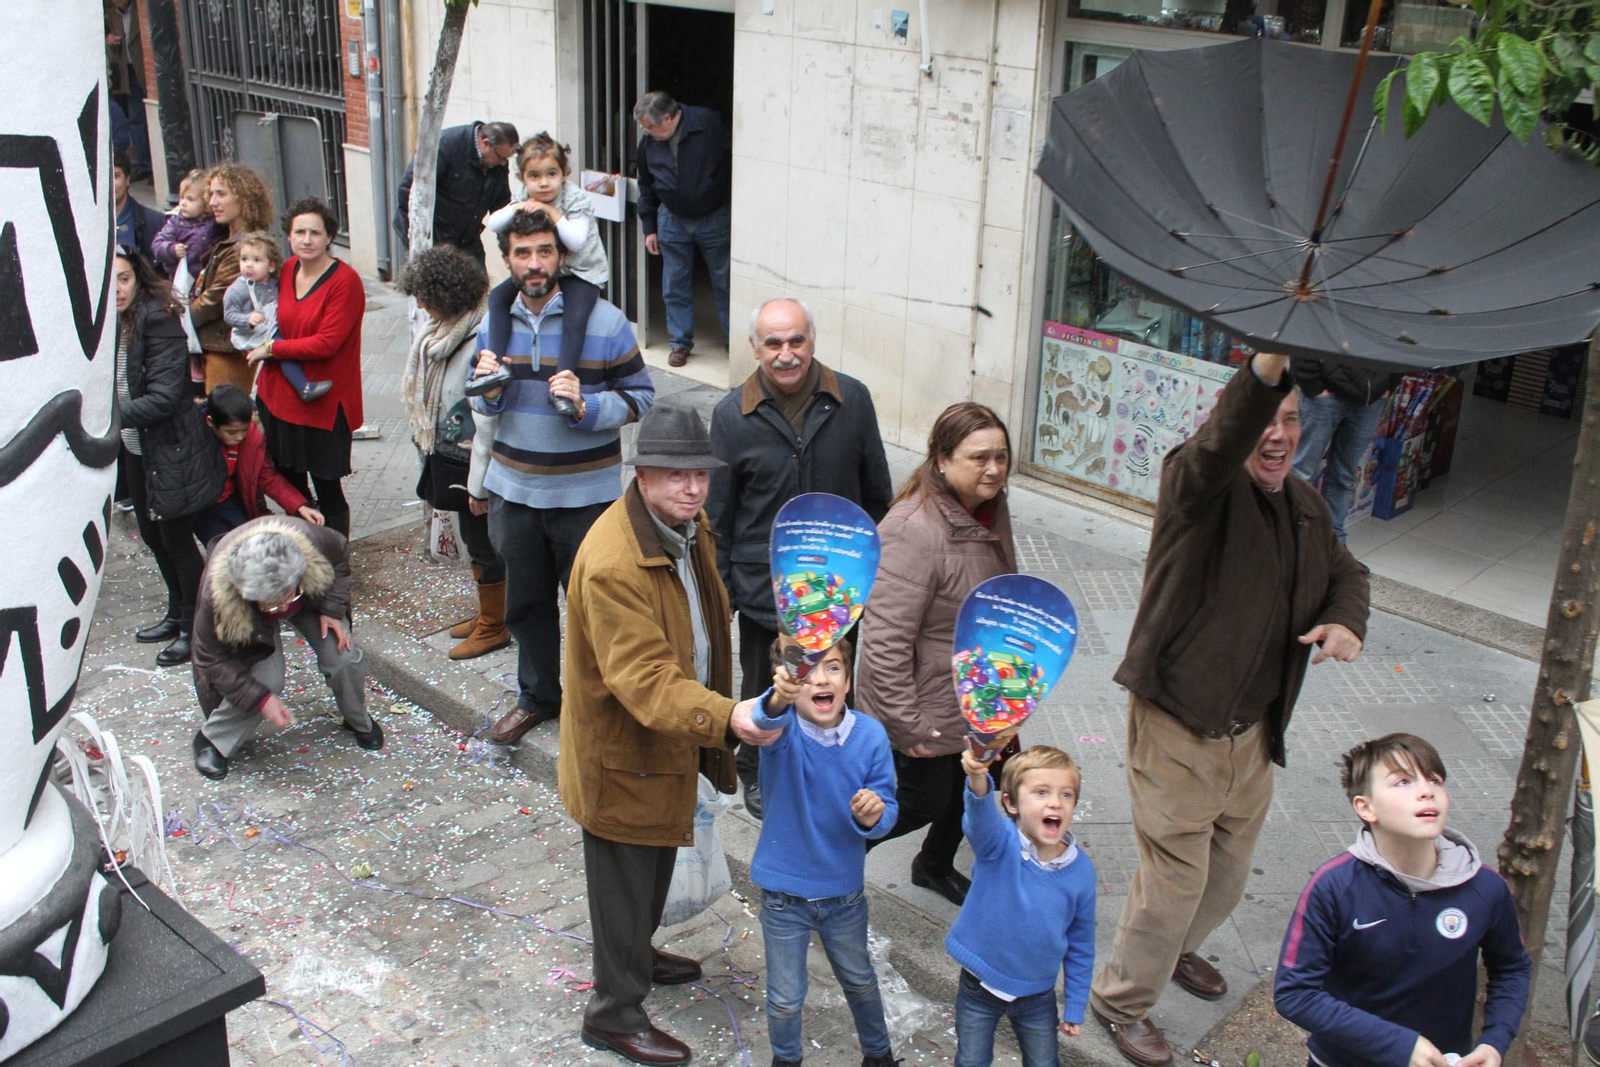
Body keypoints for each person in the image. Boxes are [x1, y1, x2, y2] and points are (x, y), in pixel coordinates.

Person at [1089, 352, 1372, 1067]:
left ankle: (1177, 946)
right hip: (1180, 721)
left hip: (1253, 733)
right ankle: (1121, 1001)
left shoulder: (1304, 505)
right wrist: (1266, 371)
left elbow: (1349, 571)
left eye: (1290, 420)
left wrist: (1347, 621)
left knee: (1227, 875)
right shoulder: (1199, 487)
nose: (1276, 435)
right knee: (1175, 878)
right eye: (1263, 420)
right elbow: (1216, 445)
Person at [556, 403, 780, 1067]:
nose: (692, 487)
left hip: (669, 741)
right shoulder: (612, 563)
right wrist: (729, 716)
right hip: (623, 756)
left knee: (652, 866)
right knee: (625, 878)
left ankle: (636, 954)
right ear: (642, 474)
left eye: (701, 474)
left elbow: (708, 607)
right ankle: (613, 1013)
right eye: (675, 474)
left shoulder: (687, 524)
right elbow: (647, 680)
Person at [469, 210, 655, 744]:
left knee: (596, 607)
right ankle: (538, 699)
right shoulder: (493, 318)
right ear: (507, 259)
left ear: (562, 256)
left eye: (544, 251)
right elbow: (480, 399)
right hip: (514, 491)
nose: (534, 263)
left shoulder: (605, 321)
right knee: (526, 606)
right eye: (523, 253)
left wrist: (586, 408)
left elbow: (642, 396)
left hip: (585, 496)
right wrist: (487, 386)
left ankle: (599, 705)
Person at [707, 297, 893, 817]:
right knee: (766, 687)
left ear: (812, 340)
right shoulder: (731, 415)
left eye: (796, 341)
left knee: (831, 682)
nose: (786, 354)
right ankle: (759, 772)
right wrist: (722, 593)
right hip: (766, 591)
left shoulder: (851, 399)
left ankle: (831, 770)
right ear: (754, 348)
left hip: (837, 590)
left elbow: (877, 496)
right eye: (774, 343)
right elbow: (718, 518)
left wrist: (863, 571)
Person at [1274, 733, 1530, 1067]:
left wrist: (1495, 1042)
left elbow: (1512, 966)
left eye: (1435, 780)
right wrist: (1398, 1044)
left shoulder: (1485, 888)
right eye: (1403, 782)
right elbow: (1295, 994)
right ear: (1365, 808)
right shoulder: (1334, 887)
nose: (1427, 791)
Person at [855, 403, 1019, 907]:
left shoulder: (987, 507)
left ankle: (934, 865)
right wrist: (907, 726)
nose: (993, 468)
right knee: (921, 799)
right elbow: (883, 642)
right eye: (979, 458)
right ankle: (824, 854)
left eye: (1001, 456)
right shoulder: (912, 529)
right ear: (942, 461)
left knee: (980, 782)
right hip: (925, 700)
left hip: (977, 690)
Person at [748, 637, 899, 1067]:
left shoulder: (870, 735)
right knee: (784, 998)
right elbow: (763, 716)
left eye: (832, 668)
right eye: (806, 670)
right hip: (783, 898)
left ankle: (879, 1055)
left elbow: (887, 811)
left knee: (860, 981)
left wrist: (872, 816)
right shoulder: (782, 732)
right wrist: (779, 694)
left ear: (848, 681)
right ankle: (786, 1060)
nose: (820, 678)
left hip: (843, 895)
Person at [189, 517, 383, 780]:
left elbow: (340, 557)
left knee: (343, 657)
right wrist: (262, 699)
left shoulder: (314, 541)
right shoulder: (217, 596)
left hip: (311, 601)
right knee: (266, 681)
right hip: (249, 619)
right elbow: (209, 657)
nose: (281, 611)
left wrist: (332, 610)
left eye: (287, 599)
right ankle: (212, 740)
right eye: (272, 605)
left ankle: (357, 719)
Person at [950, 744, 1096, 1067]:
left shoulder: (1082, 873)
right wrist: (977, 777)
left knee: (1044, 1062)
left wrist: (1075, 1005)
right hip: (979, 985)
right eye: (1041, 792)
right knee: (971, 1060)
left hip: (1037, 994)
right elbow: (978, 821)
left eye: (1066, 794)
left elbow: (1081, 944)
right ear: (1011, 803)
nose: (1056, 802)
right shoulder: (999, 843)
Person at [114, 248, 227, 668]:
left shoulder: (158, 319)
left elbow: (164, 396)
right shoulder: (113, 323)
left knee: (177, 541)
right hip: (136, 448)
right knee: (152, 535)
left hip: (172, 449)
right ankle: (176, 613)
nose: (117, 290)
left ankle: (196, 631)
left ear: (138, 278)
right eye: (109, 282)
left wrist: (107, 416)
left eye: (123, 279)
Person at [398, 245, 511, 661]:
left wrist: (478, 486)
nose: (421, 305)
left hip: (476, 464)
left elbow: (486, 419)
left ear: (444, 295)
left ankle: (494, 626)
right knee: (473, 540)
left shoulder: (480, 338)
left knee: (483, 543)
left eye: (425, 296)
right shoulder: (443, 333)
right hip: (453, 456)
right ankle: (489, 612)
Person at [246, 198, 365, 539]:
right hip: (277, 399)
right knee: (291, 488)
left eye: (316, 232)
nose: (307, 239)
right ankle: (301, 553)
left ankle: (336, 559)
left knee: (329, 491)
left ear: (330, 237)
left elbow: (327, 342)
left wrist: (272, 349)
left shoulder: (346, 282)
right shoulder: (286, 270)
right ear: (288, 236)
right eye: (300, 232)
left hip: (323, 405)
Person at [483, 133, 609, 418]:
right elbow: (494, 223)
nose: (543, 183)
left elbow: (576, 241)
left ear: (564, 173)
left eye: (551, 174)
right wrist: (516, 206)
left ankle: (562, 385)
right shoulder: (524, 197)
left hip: (581, 272)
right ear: (522, 178)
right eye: (534, 176)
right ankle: (495, 366)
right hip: (547, 270)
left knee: (574, 319)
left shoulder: (575, 198)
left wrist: (550, 212)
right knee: (498, 297)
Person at [633, 91, 731, 368]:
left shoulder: (709, 123)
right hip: (672, 217)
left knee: (724, 280)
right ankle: (680, 342)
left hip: (713, 215)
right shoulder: (649, 143)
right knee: (674, 283)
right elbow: (646, 184)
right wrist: (649, 227)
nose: (647, 133)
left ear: (667, 118)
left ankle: (733, 337)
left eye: (650, 126)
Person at [196, 383, 324, 545]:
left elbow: (267, 476)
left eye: (244, 430)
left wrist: (299, 505)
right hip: (202, 507)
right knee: (223, 548)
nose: (239, 437)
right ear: (210, 422)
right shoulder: (194, 441)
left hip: (229, 500)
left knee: (247, 544)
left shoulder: (250, 439)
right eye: (232, 432)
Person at [1290, 357, 1400, 544]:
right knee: (1302, 473)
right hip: (1325, 395)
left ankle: (1334, 544)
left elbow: (1401, 341)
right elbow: (1307, 334)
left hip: (1370, 400)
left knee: (1344, 476)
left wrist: (1390, 383)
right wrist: (1312, 385)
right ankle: (1289, 540)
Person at [189, 163, 275, 394]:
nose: (212, 202)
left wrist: (182, 319)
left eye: (221, 194)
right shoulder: (226, 239)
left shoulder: (247, 248)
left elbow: (213, 301)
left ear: (244, 197)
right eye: (212, 194)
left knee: (225, 418)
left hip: (227, 348)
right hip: (217, 345)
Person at [392, 120, 520, 267]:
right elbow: (408, 191)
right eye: (501, 157)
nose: (503, 163)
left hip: (467, 238)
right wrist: (424, 241)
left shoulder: (497, 162)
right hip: (432, 237)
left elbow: (501, 204)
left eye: (507, 159)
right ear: (485, 143)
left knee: (476, 284)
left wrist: (512, 244)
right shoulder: (445, 146)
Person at [224, 231, 331, 404]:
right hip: (256, 332)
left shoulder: (274, 282)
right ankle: (303, 387)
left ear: (271, 266)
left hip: (271, 325)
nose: (249, 265)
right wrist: (247, 319)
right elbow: (229, 315)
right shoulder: (238, 289)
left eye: (256, 260)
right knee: (282, 348)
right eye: (244, 260)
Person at [104, 0, 150, 179]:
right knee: (135, 118)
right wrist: (108, 38)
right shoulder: (111, 14)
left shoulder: (140, 10)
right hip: (126, 71)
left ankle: (150, 164)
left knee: (147, 117)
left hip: (143, 68)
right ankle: (144, 163)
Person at [152, 168, 223, 279]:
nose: (183, 203)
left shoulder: (214, 222)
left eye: (190, 199)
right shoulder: (175, 222)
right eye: (182, 198)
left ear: (206, 203)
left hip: (208, 276)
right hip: (183, 279)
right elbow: (158, 244)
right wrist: (172, 249)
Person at [112, 151, 163, 265]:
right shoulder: (85, 227)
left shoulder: (155, 222)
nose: (110, 184)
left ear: (127, 179)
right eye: (104, 178)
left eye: (115, 176)